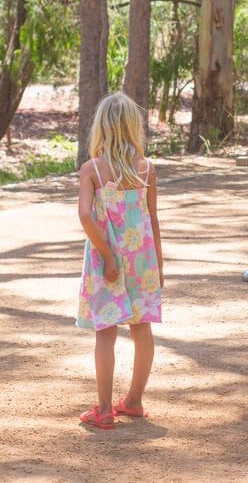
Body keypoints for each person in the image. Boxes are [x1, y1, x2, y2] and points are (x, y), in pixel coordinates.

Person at [76, 92, 164, 430]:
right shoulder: (147, 169)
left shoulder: (93, 169)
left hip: (106, 260)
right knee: (142, 327)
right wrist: (159, 264)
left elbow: (85, 216)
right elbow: (152, 219)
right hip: (142, 259)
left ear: (101, 126)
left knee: (105, 332)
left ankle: (104, 409)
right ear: (132, 127)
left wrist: (109, 255)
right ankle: (134, 400)